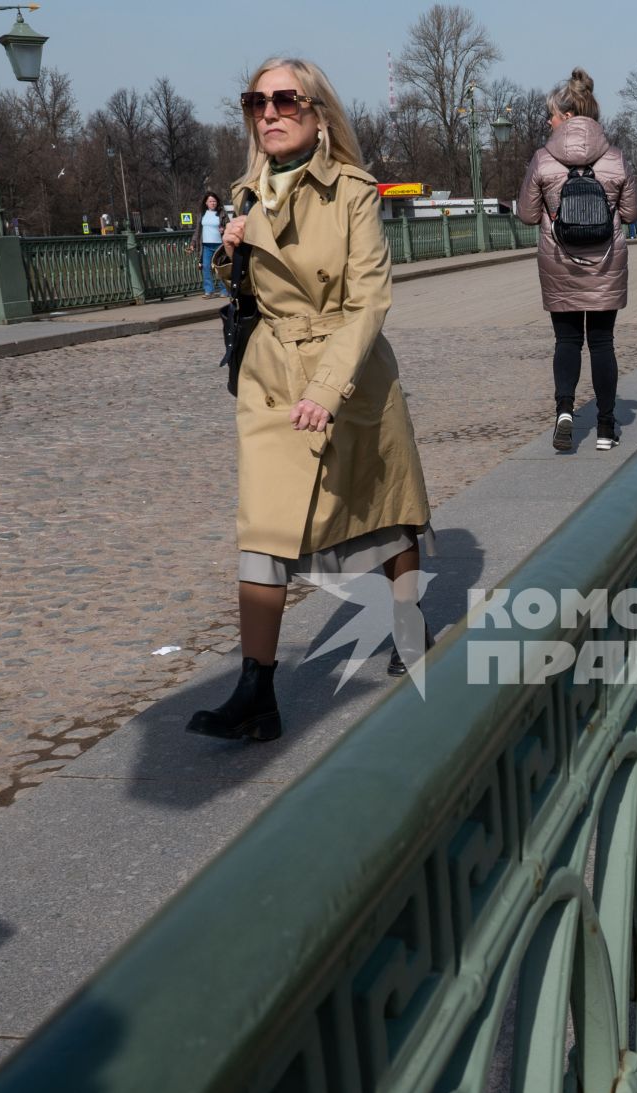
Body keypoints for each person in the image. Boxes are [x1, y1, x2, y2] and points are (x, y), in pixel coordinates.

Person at [191, 56, 433, 742]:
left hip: (347, 369)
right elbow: (246, 296)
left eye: (284, 100)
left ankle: (410, 625)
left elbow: (368, 298)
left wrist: (329, 387)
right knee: (261, 525)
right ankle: (256, 689)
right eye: (256, 101)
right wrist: (232, 252)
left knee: (384, 509)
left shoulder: (354, 190)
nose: (268, 112)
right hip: (272, 373)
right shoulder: (244, 193)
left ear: (318, 114)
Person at [517, 67, 637, 454]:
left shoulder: (543, 159)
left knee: (567, 340)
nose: (549, 120)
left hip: (559, 262)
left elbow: (526, 214)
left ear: (568, 117)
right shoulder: (616, 159)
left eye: (553, 114)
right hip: (605, 263)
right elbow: (633, 213)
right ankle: (605, 426)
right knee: (602, 343)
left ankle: (565, 413)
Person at [191, 191, 225, 296]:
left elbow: (228, 226)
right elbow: (198, 230)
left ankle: (224, 290)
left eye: (214, 201)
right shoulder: (202, 214)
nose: (213, 203)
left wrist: (224, 229)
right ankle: (209, 291)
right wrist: (193, 242)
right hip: (206, 245)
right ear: (206, 203)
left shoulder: (221, 213)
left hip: (220, 245)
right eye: (210, 201)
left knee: (220, 268)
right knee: (205, 267)